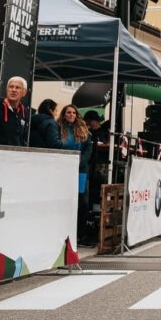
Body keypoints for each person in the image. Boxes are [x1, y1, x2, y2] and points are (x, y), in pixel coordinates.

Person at [59, 104, 95, 245]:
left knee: (82, 202)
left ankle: (81, 233)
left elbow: (88, 150)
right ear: (64, 114)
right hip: (63, 170)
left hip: (80, 170)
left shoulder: (83, 131)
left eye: (74, 112)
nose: (71, 115)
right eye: (68, 112)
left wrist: (79, 162)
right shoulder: (59, 129)